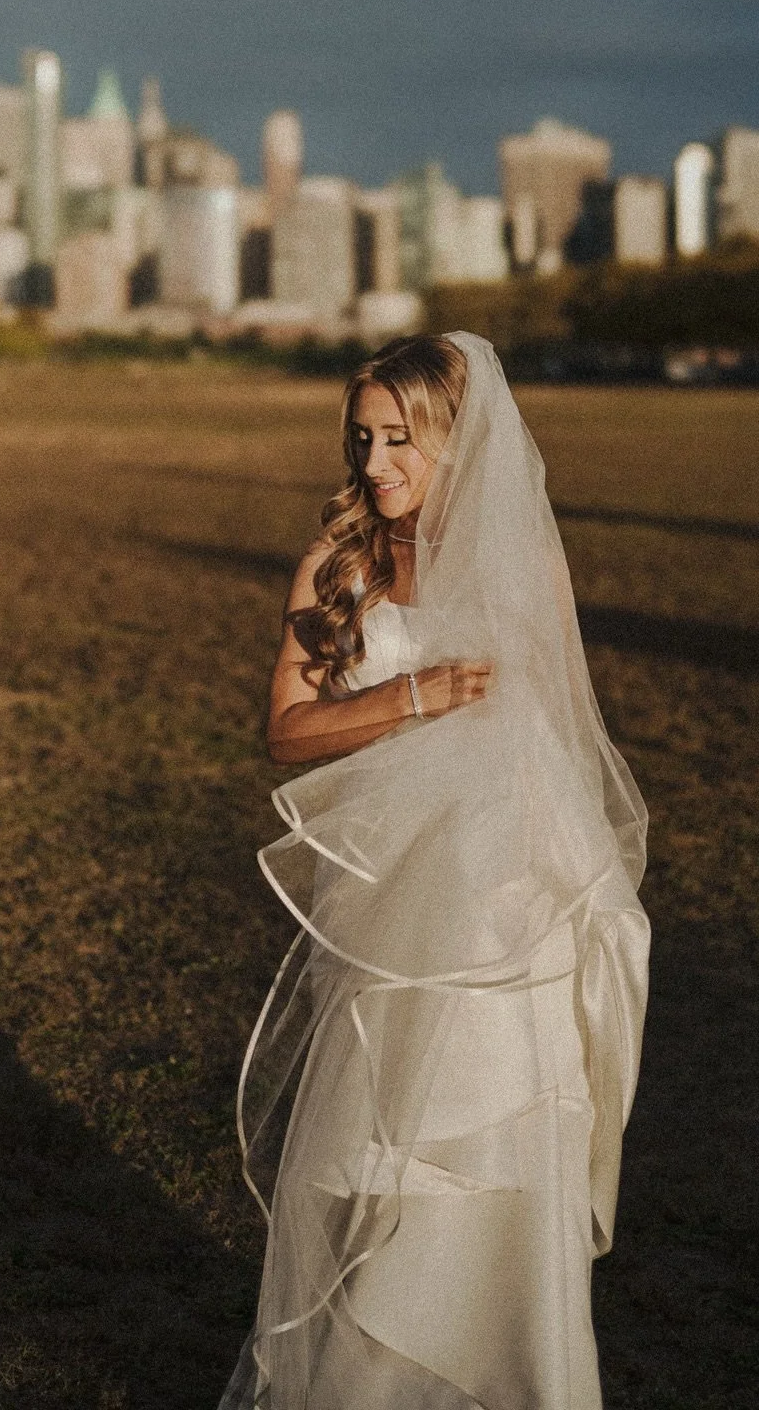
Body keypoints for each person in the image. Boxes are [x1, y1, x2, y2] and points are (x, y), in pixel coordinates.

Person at [222, 332, 649, 1410]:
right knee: (376, 1167)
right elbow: (284, 727)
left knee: (486, 1162)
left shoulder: (522, 563)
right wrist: (406, 699)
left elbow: (550, 748)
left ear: (461, 442)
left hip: (496, 918)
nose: (374, 463)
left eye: (401, 439)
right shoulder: (338, 566)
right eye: (362, 437)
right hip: (378, 911)